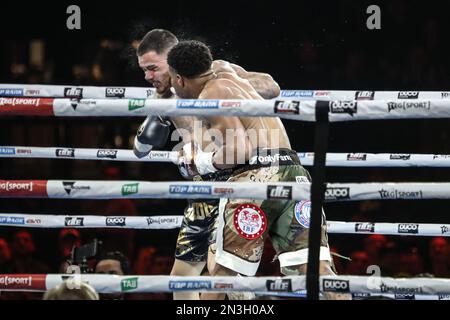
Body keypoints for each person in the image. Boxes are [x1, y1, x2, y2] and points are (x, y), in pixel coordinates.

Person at [167, 40, 339, 299]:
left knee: (223, 274)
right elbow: (272, 86)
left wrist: (199, 163)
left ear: (179, 79)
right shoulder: (227, 70)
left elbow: (240, 151)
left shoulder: (208, 95)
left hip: (255, 178)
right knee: (317, 267)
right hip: (293, 172)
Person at [133, 29, 281, 300]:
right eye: (144, 70)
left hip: (238, 179)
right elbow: (140, 149)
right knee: (181, 280)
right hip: (202, 189)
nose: (148, 77)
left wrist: (235, 86)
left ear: (173, 59)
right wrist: (155, 118)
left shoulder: (217, 73)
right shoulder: (162, 100)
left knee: (221, 273)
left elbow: (272, 86)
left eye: (153, 68)